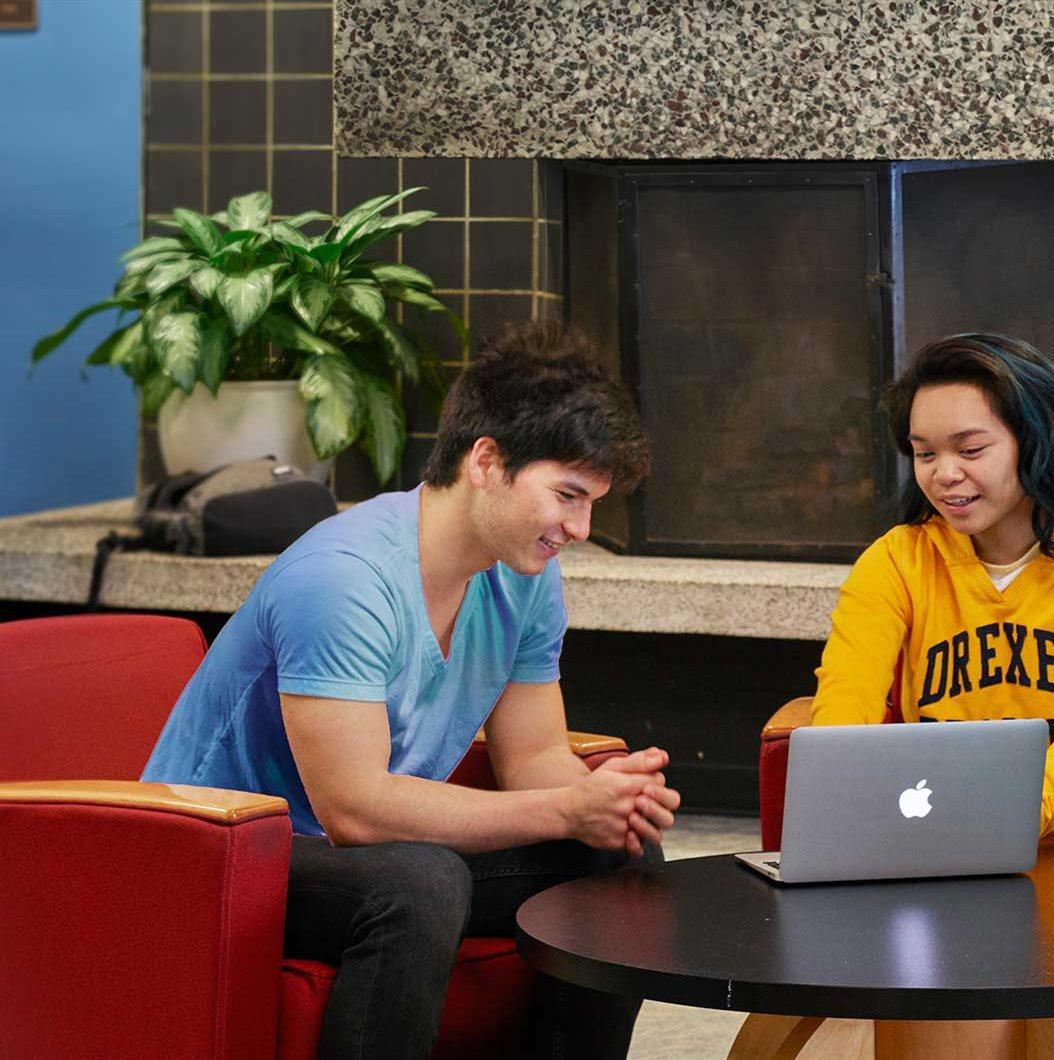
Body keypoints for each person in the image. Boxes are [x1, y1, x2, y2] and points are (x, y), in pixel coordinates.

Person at [139, 321, 671, 1060]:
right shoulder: (343, 579)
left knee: (621, 858)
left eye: (593, 504)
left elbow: (536, 756)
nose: (580, 528)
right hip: (218, 851)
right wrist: (561, 806)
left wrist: (603, 800)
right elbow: (354, 811)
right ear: (486, 461)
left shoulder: (526, 577)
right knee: (418, 883)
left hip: (346, 853)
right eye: (568, 496)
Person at [807, 333, 1054, 1060]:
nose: (944, 474)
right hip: (942, 841)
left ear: (1034, 441)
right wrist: (849, 815)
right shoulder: (897, 561)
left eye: (970, 448)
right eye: (924, 453)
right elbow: (843, 712)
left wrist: (994, 827)